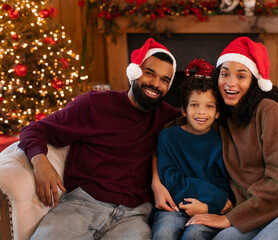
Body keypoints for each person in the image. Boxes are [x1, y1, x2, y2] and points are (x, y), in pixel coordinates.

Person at [18, 38, 181, 240]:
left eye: (165, 80)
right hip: (82, 205)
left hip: (134, 215)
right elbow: (34, 129)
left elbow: (204, 119)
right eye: (149, 73)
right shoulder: (94, 104)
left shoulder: (168, 118)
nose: (156, 84)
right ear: (134, 72)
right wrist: (40, 161)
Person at [185, 37, 278, 239]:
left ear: (253, 82)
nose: (230, 83)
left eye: (241, 76)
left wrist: (229, 219)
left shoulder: (269, 111)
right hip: (254, 212)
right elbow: (184, 125)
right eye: (224, 74)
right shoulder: (221, 115)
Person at [151, 59, 233, 240]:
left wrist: (207, 207)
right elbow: (170, 178)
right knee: (165, 232)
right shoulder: (168, 137)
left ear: (217, 113)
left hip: (206, 207)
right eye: (194, 105)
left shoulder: (221, 143)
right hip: (173, 205)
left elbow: (225, 186)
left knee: (195, 234)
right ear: (183, 110)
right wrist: (216, 198)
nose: (201, 112)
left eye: (209, 106)